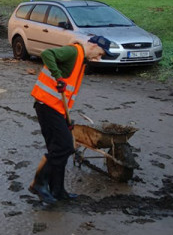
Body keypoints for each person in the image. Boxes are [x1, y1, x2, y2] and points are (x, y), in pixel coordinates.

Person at [28, 35, 116, 205]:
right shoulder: (73, 52)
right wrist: (58, 77)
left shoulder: (81, 61)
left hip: (57, 109)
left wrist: (65, 117)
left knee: (59, 148)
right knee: (65, 146)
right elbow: (47, 54)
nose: (99, 58)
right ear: (92, 45)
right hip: (46, 105)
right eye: (100, 53)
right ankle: (38, 184)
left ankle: (58, 191)